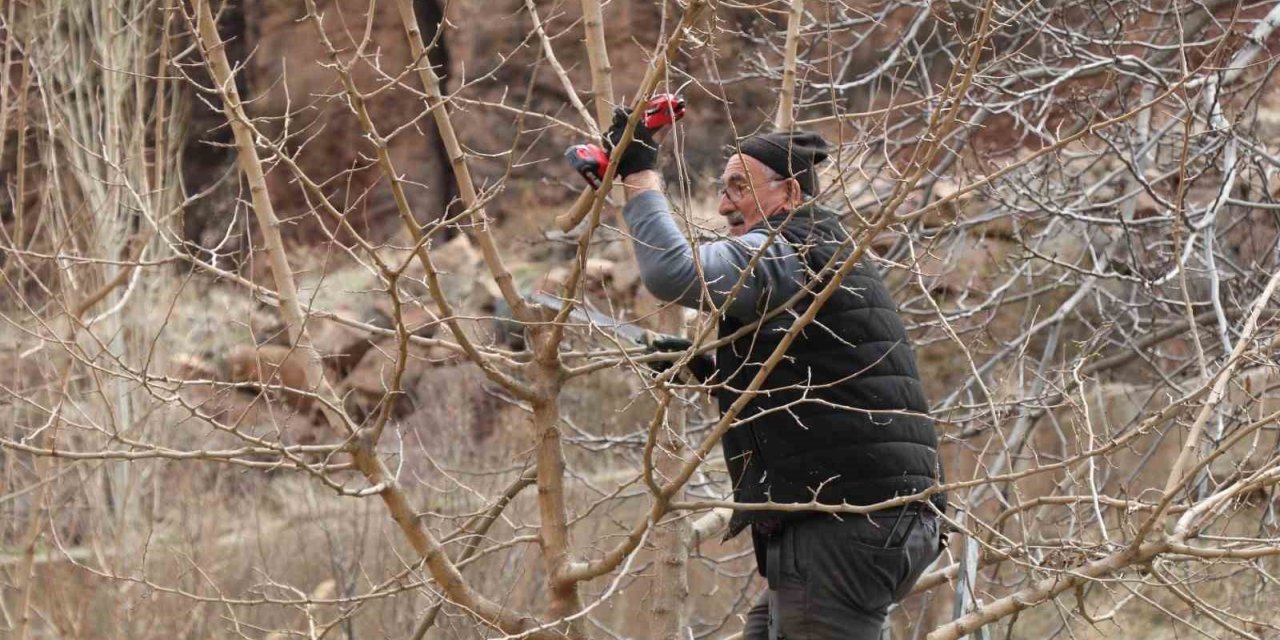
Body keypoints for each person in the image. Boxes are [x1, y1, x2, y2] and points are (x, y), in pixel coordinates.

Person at [604, 109, 948, 639]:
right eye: (722, 188)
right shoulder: (819, 250)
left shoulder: (791, 250)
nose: (723, 205)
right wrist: (709, 369)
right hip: (864, 517)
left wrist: (638, 174)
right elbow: (815, 372)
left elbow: (670, 273)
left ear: (788, 192)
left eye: (739, 187)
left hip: (844, 521)